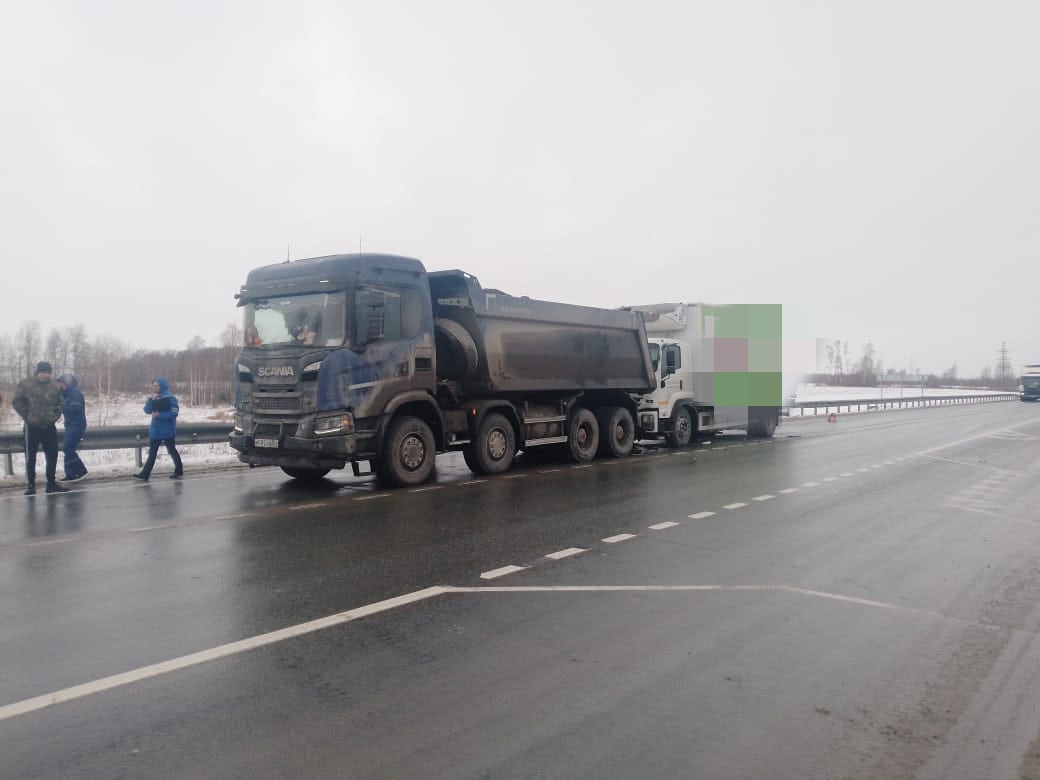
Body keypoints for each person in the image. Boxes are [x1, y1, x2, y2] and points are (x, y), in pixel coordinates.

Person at [12, 361, 68, 495]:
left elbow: (61, 402)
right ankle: (31, 484)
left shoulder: (55, 386)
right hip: (32, 426)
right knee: (30, 456)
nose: (45, 375)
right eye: (43, 372)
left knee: (52, 455)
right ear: (37, 372)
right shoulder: (26, 384)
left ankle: (51, 484)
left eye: (47, 372)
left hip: (49, 426)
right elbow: (17, 401)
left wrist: (54, 415)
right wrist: (27, 416)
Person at [133, 377, 183, 481]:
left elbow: (174, 413)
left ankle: (179, 470)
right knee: (152, 453)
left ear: (162, 386)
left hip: (167, 430)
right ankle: (145, 474)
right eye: (153, 386)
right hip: (155, 431)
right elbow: (147, 410)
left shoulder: (170, 398)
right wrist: (151, 400)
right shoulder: (154, 397)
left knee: (172, 450)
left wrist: (159, 415)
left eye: (157, 386)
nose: (154, 388)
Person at [57, 373, 88, 481]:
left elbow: (75, 409)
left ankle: (81, 470)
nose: (60, 386)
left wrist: (62, 407)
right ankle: (70, 474)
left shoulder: (75, 393)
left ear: (67, 383)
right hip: (70, 425)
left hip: (77, 424)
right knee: (68, 449)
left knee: (67, 448)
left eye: (61, 384)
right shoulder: (66, 394)